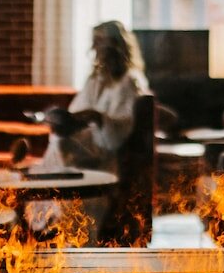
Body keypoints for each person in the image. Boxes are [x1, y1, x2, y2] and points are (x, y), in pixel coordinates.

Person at [40, 20, 150, 174]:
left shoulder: (129, 82)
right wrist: (62, 120)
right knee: (61, 140)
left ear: (116, 46)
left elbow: (119, 133)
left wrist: (96, 117)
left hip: (104, 150)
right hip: (85, 139)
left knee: (63, 144)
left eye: (99, 42)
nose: (95, 49)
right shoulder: (95, 79)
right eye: (95, 43)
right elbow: (76, 112)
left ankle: (61, 189)